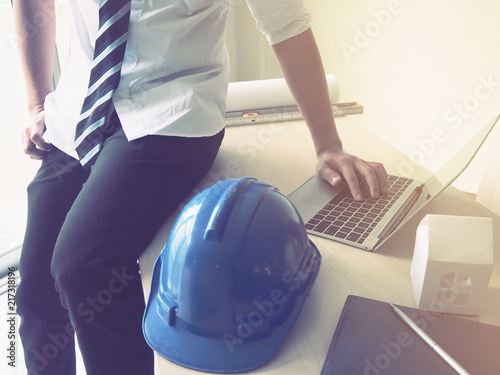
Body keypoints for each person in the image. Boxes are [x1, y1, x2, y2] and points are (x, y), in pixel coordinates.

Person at [13, 0, 388, 374]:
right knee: (34, 295)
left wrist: (328, 145)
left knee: (83, 266)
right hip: (78, 109)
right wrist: (36, 103)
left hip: (171, 114)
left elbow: (286, 24)